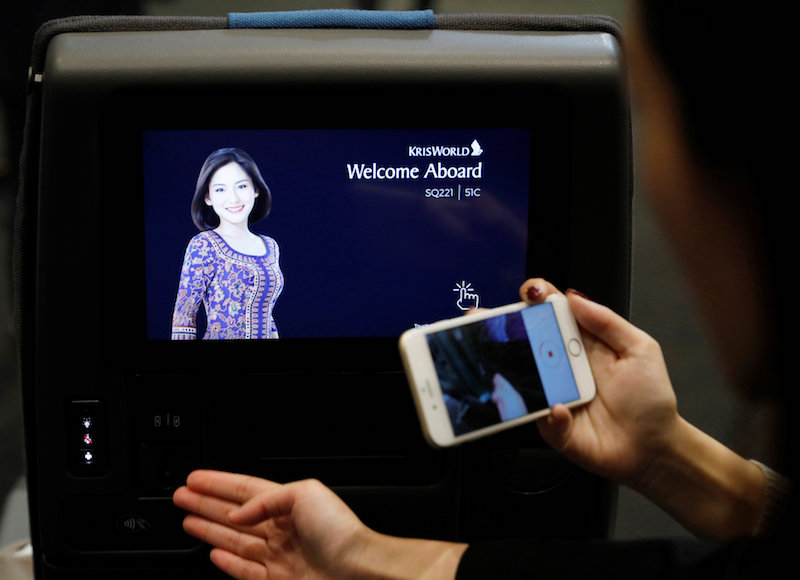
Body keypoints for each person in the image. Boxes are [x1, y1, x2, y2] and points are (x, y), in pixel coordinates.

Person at [172, 1, 795, 578]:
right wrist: (665, 455)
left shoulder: (272, 246)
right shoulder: (204, 247)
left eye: (654, 119)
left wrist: (361, 556)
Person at [171, 147, 284, 340]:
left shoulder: (270, 246)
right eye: (220, 189)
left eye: (241, 186)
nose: (233, 198)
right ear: (208, 197)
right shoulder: (203, 245)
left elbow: (268, 314)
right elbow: (184, 318)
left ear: (255, 189)